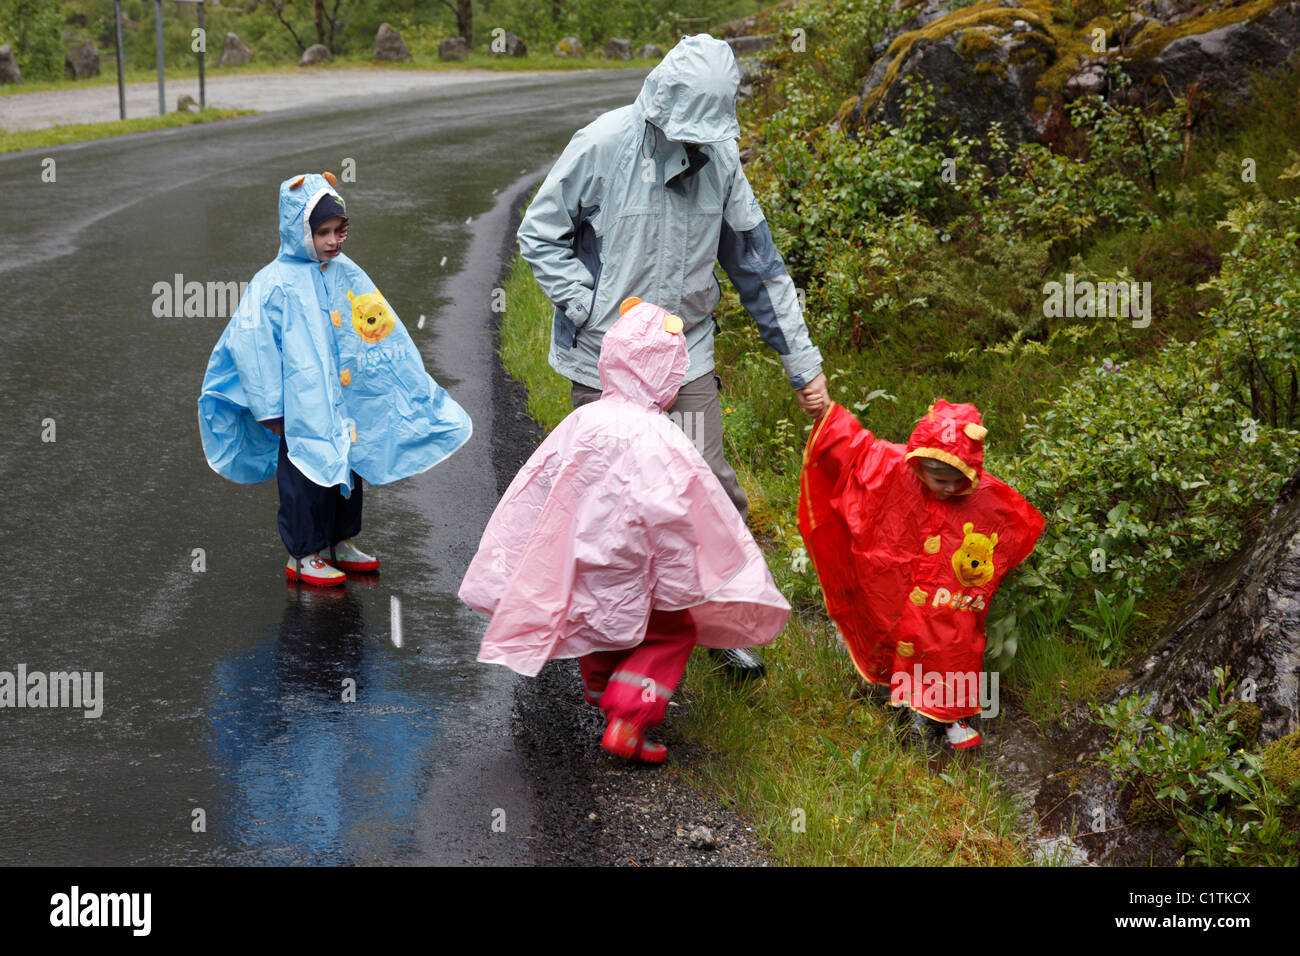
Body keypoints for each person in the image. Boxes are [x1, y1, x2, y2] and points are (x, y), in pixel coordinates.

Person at [517, 33, 827, 673]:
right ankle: (609, 631)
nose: (688, 143)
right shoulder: (602, 144)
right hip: (604, 360)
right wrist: (589, 309)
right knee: (608, 500)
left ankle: (721, 624)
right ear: (657, 106)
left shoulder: (722, 160)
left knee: (708, 487)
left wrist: (804, 367)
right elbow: (539, 232)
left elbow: (758, 268)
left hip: (687, 354)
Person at [459, 297, 790, 762]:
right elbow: (682, 508)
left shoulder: (583, 421)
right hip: (637, 562)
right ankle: (629, 720)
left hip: (586, 559)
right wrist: (700, 564)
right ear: (665, 378)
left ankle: (604, 689)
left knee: (598, 619)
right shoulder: (663, 437)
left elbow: (541, 484)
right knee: (669, 632)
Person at [198, 171, 472, 586]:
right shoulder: (272, 284)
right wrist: (271, 409)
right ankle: (303, 553)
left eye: (338, 231)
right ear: (297, 230)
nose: (332, 241)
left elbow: (373, 322)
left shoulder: (345, 271)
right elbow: (253, 350)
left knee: (347, 469)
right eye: (321, 232)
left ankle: (341, 541)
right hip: (300, 406)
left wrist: (386, 375)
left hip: (345, 399)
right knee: (305, 477)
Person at [797, 398, 1045, 749]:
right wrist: (826, 415)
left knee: (954, 648)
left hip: (951, 598)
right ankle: (899, 700)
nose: (947, 488)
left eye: (956, 479)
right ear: (918, 465)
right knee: (891, 629)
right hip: (900, 584)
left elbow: (1014, 521)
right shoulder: (895, 469)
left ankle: (950, 715)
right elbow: (858, 451)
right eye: (938, 479)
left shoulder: (983, 494)